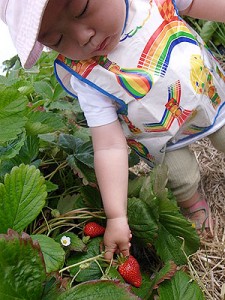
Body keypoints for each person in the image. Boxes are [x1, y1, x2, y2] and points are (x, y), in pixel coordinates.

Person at [1, 0, 225, 261]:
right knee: (180, 177)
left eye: (82, 9)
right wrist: (116, 215)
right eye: (58, 39)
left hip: (208, 95)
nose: (83, 37)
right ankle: (193, 204)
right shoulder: (89, 78)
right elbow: (109, 145)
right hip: (162, 135)